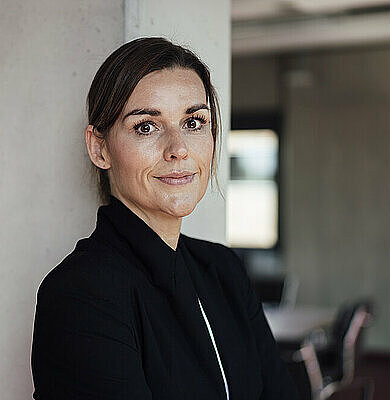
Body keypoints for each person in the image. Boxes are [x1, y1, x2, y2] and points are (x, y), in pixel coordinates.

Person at [31, 37, 300, 400]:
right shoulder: (81, 295)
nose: (178, 149)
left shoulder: (223, 270)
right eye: (146, 126)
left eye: (194, 121)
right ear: (100, 148)